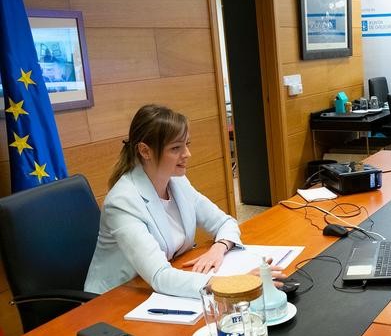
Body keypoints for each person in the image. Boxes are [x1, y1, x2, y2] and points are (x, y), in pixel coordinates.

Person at [84, 104, 285, 299]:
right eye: (175, 148)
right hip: (115, 300)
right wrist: (234, 283)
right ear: (145, 151)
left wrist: (219, 247)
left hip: (157, 287)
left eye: (186, 144)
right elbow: (159, 276)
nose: (187, 154)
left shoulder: (178, 181)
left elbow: (225, 222)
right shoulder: (122, 202)